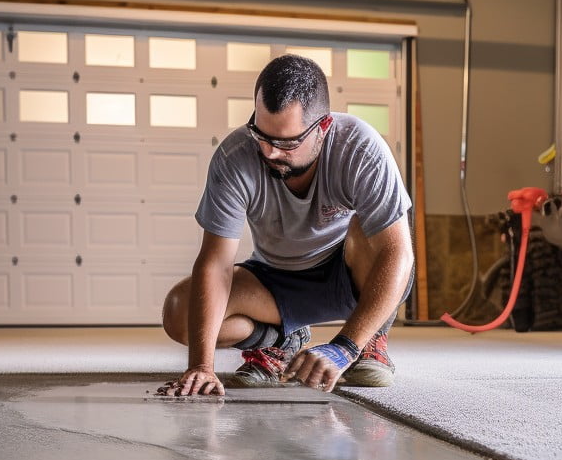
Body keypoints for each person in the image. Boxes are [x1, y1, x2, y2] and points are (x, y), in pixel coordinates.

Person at [157, 53, 415, 398]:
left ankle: (369, 339)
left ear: (322, 128)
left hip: (348, 273)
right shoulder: (236, 157)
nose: (270, 151)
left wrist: (345, 346)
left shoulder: (361, 148)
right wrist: (202, 366)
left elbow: (398, 254)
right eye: (261, 134)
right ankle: (280, 341)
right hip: (275, 279)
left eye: (287, 142)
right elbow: (215, 262)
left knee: (382, 234)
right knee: (179, 310)